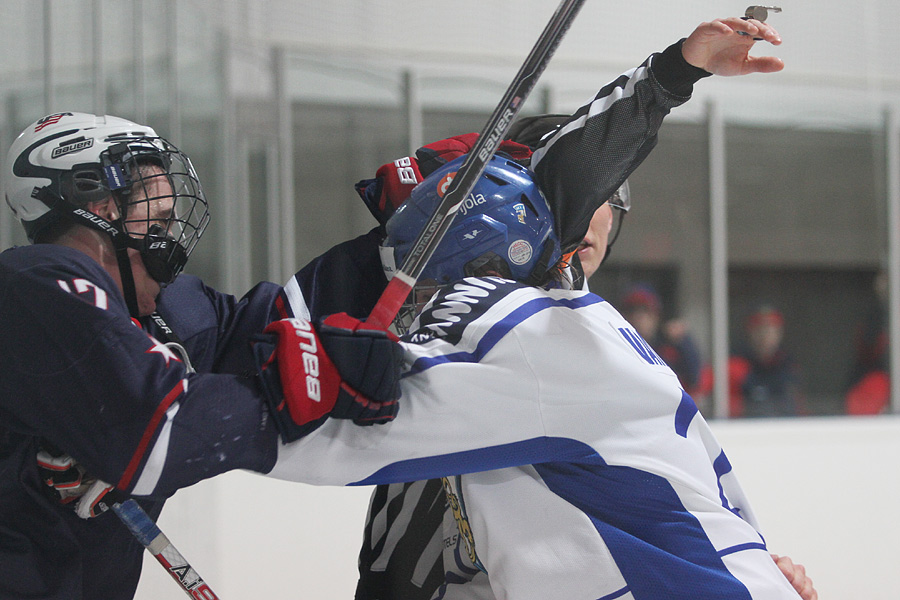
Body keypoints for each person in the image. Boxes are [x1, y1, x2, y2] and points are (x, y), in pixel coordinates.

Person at [266, 152, 814, 599]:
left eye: (610, 200)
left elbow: (343, 441)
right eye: (584, 195)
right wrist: (747, 560)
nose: (597, 216)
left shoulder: (539, 335)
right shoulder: (559, 329)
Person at [0, 112, 404, 600]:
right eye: (160, 219)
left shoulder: (160, 315)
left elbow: (281, 321)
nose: (170, 239)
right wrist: (285, 391)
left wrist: (398, 242)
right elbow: (152, 431)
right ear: (101, 204)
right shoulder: (33, 284)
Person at [621, 283, 704, 394]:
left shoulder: (669, 344)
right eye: (632, 311)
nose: (639, 317)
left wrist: (683, 342)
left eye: (645, 311)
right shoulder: (619, 344)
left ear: (656, 316)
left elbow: (694, 379)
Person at [729, 303, 805, 418]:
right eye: (760, 330)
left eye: (771, 330)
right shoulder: (736, 366)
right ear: (750, 332)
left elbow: (799, 408)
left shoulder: (789, 368)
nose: (765, 336)